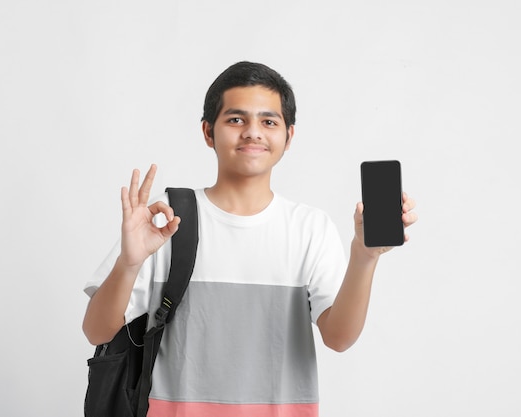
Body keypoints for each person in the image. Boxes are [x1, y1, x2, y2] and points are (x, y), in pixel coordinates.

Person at [83, 61, 418, 417]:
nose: (253, 132)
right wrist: (129, 262)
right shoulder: (164, 220)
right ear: (208, 132)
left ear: (289, 137)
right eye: (236, 119)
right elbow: (96, 331)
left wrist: (364, 256)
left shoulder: (309, 228)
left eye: (268, 121)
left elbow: (339, 337)